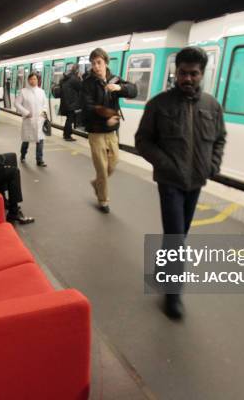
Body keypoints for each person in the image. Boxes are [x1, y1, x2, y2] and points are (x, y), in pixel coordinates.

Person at [135, 47, 226, 320]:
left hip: (196, 181)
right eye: (183, 73)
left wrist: (213, 165)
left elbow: (220, 138)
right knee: (176, 238)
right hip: (170, 181)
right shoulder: (159, 104)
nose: (188, 78)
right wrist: (164, 163)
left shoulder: (211, 106)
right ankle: (173, 296)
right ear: (176, 72)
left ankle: (163, 269)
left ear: (202, 74)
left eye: (193, 73)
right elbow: (143, 140)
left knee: (179, 234)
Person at [82, 48, 137, 213]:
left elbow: (134, 90)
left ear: (106, 62)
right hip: (96, 132)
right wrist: (108, 117)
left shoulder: (114, 80)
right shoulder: (88, 83)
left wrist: (120, 89)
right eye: (93, 63)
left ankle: (96, 183)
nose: (96, 66)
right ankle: (103, 200)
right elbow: (88, 107)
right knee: (102, 168)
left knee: (113, 164)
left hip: (111, 132)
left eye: (99, 62)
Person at [15, 72, 49, 167]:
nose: (33, 81)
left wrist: (44, 112)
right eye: (31, 79)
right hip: (28, 120)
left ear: (37, 80)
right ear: (28, 80)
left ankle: (39, 160)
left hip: (39, 120)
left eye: (35, 79)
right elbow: (17, 103)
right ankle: (23, 155)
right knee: (26, 140)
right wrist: (26, 112)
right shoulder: (23, 91)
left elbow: (45, 104)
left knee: (40, 140)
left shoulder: (41, 92)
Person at [60, 64, 82, 141]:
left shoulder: (66, 77)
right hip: (71, 103)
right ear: (77, 70)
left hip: (65, 102)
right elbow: (81, 87)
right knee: (70, 120)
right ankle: (67, 136)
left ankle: (66, 134)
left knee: (68, 119)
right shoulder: (74, 78)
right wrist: (80, 78)